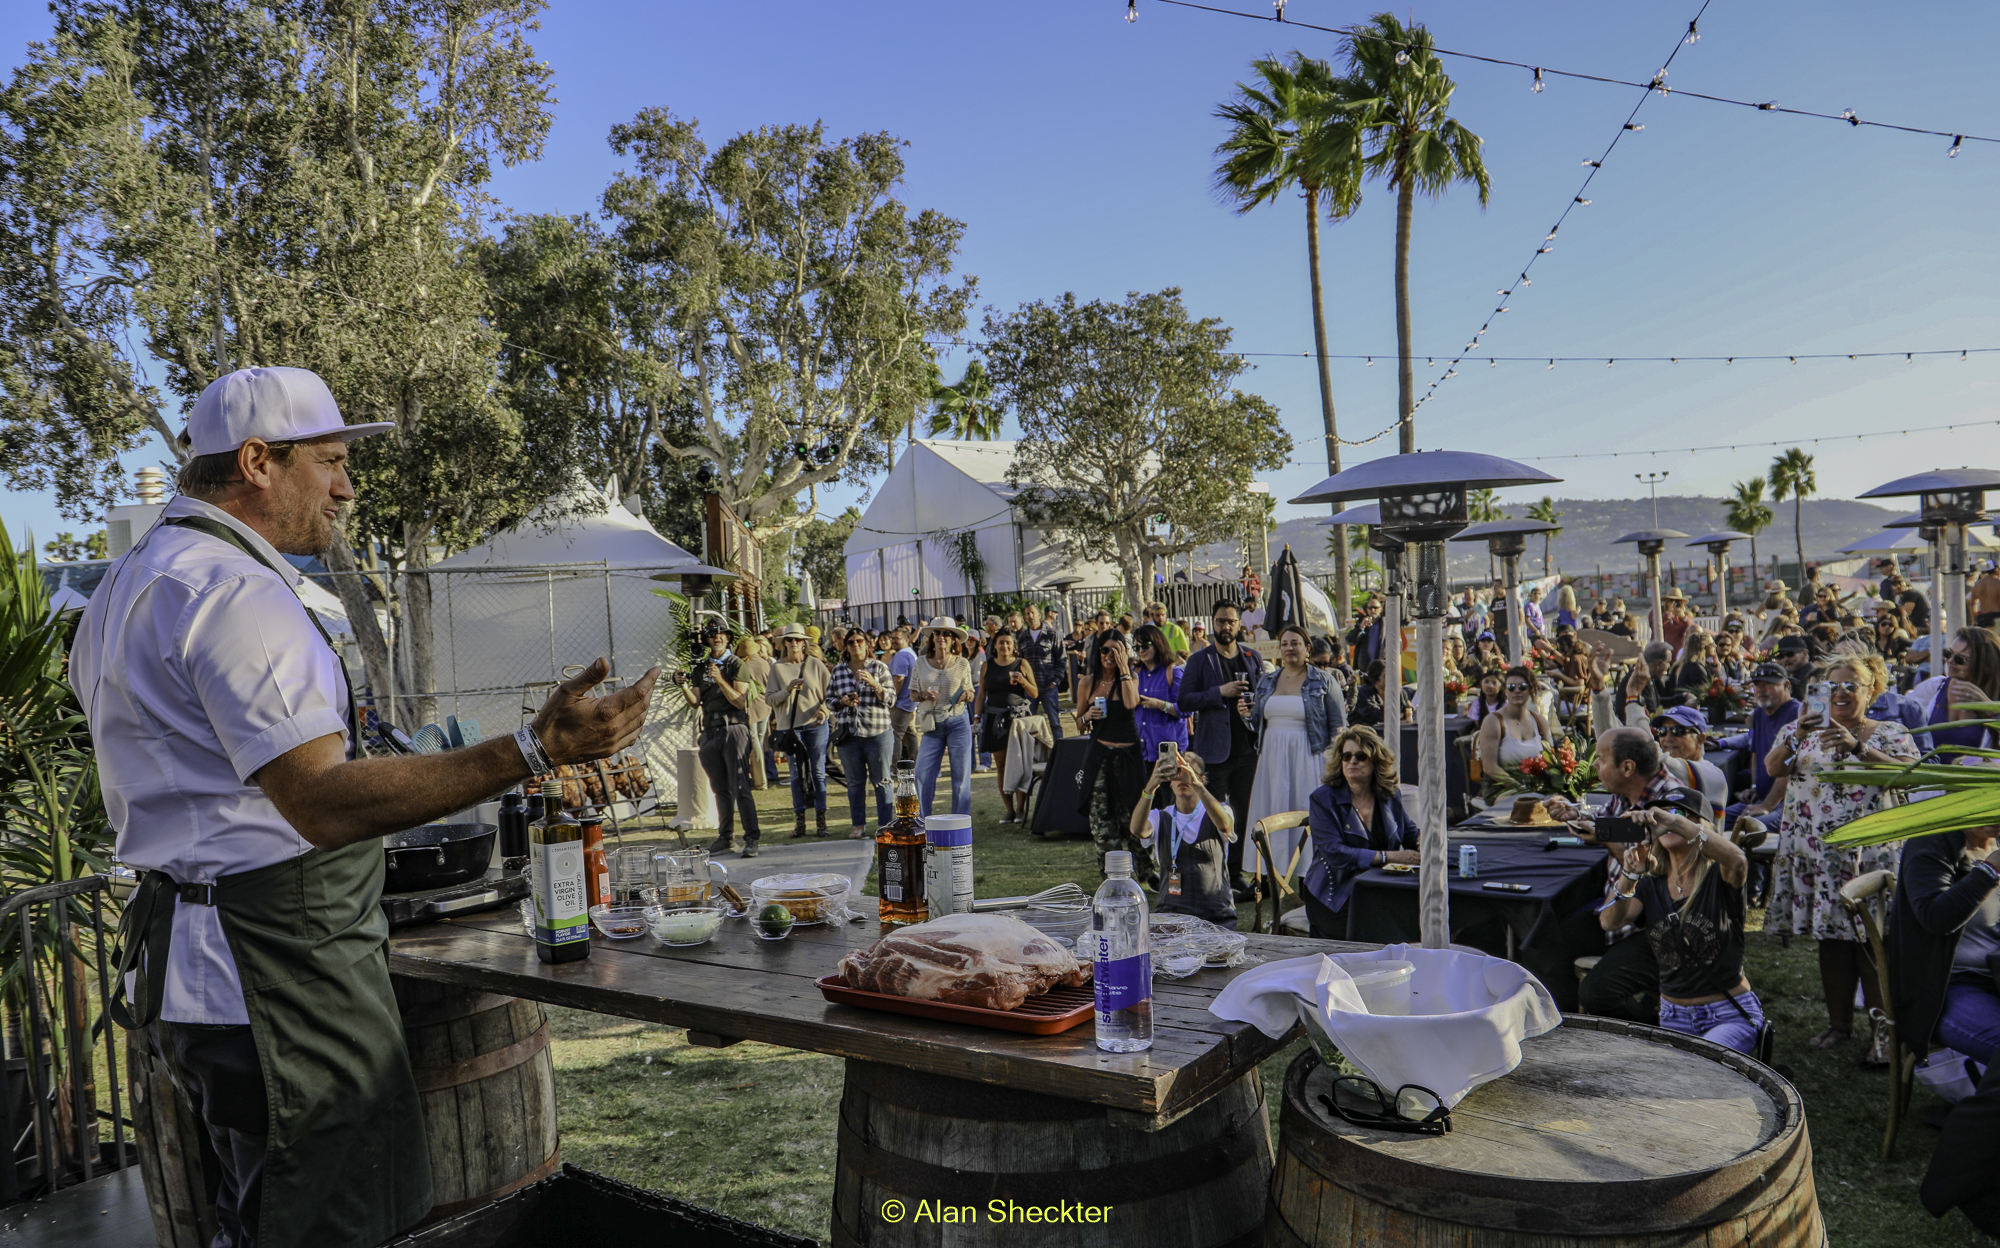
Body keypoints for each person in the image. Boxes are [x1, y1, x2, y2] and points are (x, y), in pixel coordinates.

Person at [73, 367, 658, 1247]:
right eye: (333, 463)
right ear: (260, 461)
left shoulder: (129, 583)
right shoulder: (235, 594)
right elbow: (318, 801)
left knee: (260, 1214)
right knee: (329, 1223)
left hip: (196, 972)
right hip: (275, 979)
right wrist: (535, 749)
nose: (346, 488)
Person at [1765, 657, 1921, 1061]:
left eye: (1853, 686)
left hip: (1869, 856)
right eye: (1832, 686)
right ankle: (1839, 1025)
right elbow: (1772, 768)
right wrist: (1796, 735)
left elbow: (1910, 776)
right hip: (1816, 855)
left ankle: (1883, 1037)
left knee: (1872, 944)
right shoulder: (1799, 732)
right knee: (1832, 942)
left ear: (1872, 691)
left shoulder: (1889, 733)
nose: (1841, 693)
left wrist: (1859, 749)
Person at [1595, 778, 1761, 1053]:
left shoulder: (1719, 876)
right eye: (1661, 813)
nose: (1667, 819)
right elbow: (1610, 921)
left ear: (1700, 825)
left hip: (1728, 1014)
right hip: (1673, 1016)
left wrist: (1672, 822)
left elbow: (1738, 860)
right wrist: (1630, 874)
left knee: (1701, 1066)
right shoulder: (1651, 882)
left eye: (1679, 812)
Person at [1554, 728, 1707, 1024]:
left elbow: (1659, 872)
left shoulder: (1671, 804)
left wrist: (1604, 839)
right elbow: (1612, 834)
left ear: (1627, 768)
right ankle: (1566, 1028)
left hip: (1657, 925)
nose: (1595, 766)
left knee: (1597, 994)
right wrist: (1578, 818)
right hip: (1620, 910)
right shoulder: (1625, 795)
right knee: (1548, 942)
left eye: (1600, 759)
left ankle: (1662, 1035)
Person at [1891, 821, 2000, 1072]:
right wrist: (1990, 871)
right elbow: (1935, 918)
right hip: (1947, 988)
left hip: (1994, 976)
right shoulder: (1931, 843)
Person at [1245, 624, 1349, 878]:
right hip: (1272, 757)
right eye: (1285, 643)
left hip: (1309, 756)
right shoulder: (1267, 681)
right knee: (1274, 810)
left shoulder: (1324, 680)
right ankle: (1274, 873)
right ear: (1279, 649)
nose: (1290, 648)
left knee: (1305, 811)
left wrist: (1335, 765)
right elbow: (1256, 722)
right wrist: (1245, 715)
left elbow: (1339, 726)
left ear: (1307, 648)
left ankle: (1308, 873)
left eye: (1295, 643)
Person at [1178, 600, 1264, 898]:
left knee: (1240, 814)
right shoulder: (1200, 660)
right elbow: (1184, 700)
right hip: (1213, 752)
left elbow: (1262, 698)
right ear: (1212, 622)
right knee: (1211, 815)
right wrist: (1219, 693)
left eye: (1230, 621)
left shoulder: (1252, 657)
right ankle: (1211, 872)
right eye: (1220, 621)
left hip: (1247, 751)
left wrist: (1251, 706)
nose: (1225, 626)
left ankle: (1236, 873)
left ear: (1240, 624)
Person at [1299, 726, 1419, 938]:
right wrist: (1388, 856)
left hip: (1380, 886)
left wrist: (1423, 841)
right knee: (1386, 930)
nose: (1352, 761)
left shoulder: (1388, 794)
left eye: (1361, 756)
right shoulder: (1323, 799)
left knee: (1414, 915)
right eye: (1346, 756)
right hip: (1335, 895)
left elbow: (1409, 832)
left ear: (1376, 761)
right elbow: (1335, 853)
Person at [1077, 628, 1153, 884]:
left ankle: (1146, 873)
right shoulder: (1087, 682)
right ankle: (1111, 878)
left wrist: (1123, 668)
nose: (1109, 654)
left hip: (1129, 758)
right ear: (1097, 652)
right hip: (1100, 758)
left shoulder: (1131, 677)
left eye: (1116, 649)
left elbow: (1131, 703)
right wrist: (1086, 716)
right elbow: (1079, 723)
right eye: (1105, 650)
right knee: (1102, 821)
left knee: (1134, 816)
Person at [1132, 751, 1238, 927]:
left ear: (1202, 779)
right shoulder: (1160, 817)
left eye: (1189, 773)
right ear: (1170, 783)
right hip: (1171, 915)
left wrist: (1197, 785)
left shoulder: (1220, 810)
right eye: (1177, 773)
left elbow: (1225, 825)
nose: (1183, 779)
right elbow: (1137, 830)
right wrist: (1149, 788)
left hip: (1217, 916)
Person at [1715, 663, 1800, 833]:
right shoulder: (1760, 712)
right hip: (1760, 799)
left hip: (1787, 803)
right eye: (1757, 685)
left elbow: (1791, 765)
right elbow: (1755, 753)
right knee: (1712, 822)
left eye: (1768, 684)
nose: (1761, 689)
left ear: (1786, 685)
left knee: (1751, 828)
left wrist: (1767, 804)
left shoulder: (1797, 713)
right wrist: (1754, 787)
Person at [829, 627, 896, 839]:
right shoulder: (838, 671)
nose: (856, 645)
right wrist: (842, 701)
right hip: (849, 735)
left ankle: (886, 826)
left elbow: (891, 699)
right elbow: (829, 701)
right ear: (845, 646)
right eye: (851, 642)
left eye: (860, 641)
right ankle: (859, 826)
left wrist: (875, 684)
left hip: (878, 733)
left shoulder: (880, 667)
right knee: (855, 782)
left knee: (882, 781)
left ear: (868, 645)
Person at [769, 623, 832, 837]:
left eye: (797, 639)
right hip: (790, 729)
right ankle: (800, 822)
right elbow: (770, 699)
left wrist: (823, 711)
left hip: (815, 726)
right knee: (796, 774)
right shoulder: (777, 668)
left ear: (804, 643)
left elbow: (830, 695)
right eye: (789, 639)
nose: (793, 643)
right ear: (783, 643)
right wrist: (787, 690)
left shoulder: (815, 665)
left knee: (817, 772)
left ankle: (821, 822)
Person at [909, 618, 976, 817]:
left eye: (946, 634)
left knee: (961, 778)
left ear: (954, 639)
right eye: (937, 633)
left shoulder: (963, 663)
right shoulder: (920, 663)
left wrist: (967, 695)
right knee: (921, 775)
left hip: (958, 722)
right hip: (932, 725)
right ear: (932, 638)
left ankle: (960, 825)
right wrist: (923, 695)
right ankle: (922, 824)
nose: (941, 637)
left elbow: (970, 691)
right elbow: (912, 694)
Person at [973, 629, 1039, 823]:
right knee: (1001, 766)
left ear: (1014, 646)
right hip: (994, 720)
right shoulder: (987, 666)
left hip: (1017, 721)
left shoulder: (1022, 664)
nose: (1005, 647)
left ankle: (1020, 810)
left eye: (1008, 643)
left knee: (1018, 764)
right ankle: (1009, 810)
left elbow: (1035, 693)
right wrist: (977, 716)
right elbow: (981, 694)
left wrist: (1023, 681)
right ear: (995, 646)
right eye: (1001, 643)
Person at [1911, 626, 2000, 762]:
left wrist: (1991, 711)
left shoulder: (1996, 696)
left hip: (1974, 781)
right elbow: (1904, 717)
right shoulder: (1934, 687)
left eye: (1960, 659)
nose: (1950, 661)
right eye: (1948, 653)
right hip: (1930, 780)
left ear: (1983, 664)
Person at [1130, 623, 1189, 798]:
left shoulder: (1173, 672)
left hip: (1168, 751)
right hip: (1142, 750)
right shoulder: (1134, 674)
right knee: (1147, 802)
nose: (1141, 650)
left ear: (1157, 643)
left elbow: (1186, 710)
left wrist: (1160, 704)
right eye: (1137, 647)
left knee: (1169, 803)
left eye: (1145, 645)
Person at [1476, 665, 1551, 789]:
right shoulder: (1493, 722)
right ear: (1505, 691)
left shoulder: (1540, 721)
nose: (1516, 691)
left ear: (1531, 690)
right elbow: (1490, 768)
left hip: (1537, 784)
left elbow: (1551, 760)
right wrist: (1520, 788)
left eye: (1522, 687)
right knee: (1528, 805)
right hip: (1501, 785)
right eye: (1511, 687)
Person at [1652, 706, 1727, 822]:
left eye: (1678, 731)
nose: (1668, 738)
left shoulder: (1712, 774)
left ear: (1701, 739)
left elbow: (1649, 753)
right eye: (1662, 731)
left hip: (1702, 840)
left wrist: (1633, 700)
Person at [1015, 602, 1067, 739]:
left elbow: (1062, 660)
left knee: (1055, 723)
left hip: (1048, 686)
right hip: (1030, 689)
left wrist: (1055, 682)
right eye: (1027, 614)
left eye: (1033, 613)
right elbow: (1019, 662)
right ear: (1025, 618)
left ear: (1039, 615)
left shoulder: (1053, 634)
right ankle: (1033, 756)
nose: (1030, 616)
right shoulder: (1022, 637)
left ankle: (1059, 755)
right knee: (1028, 724)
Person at [736, 632, 775, 789]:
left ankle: (759, 781)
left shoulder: (742, 664)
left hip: (750, 707)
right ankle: (760, 777)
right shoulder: (764, 663)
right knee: (758, 741)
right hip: (765, 706)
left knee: (754, 743)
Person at [886, 625, 920, 764]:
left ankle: (894, 767)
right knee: (909, 734)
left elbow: (898, 679)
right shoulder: (911, 653)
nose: (893, 641)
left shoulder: (902, 655)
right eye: (892, 638)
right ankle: (916, 762)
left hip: (901, 703)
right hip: (910, 702)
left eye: (897, 638)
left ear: (906, 639)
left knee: (895, 736)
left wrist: (891, 699)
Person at [1973, 563, 2000, 630]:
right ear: (1996, 569)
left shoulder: (1978, 584)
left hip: (1982, 619)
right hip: (1997, 617)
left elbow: (1972, 603)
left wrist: (1974, 619)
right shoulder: (1998, 583)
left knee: (1985, 639)